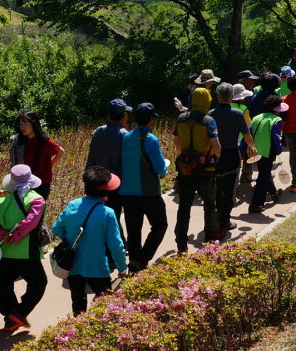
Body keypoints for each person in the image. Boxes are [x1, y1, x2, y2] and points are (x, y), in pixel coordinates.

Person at [51, 166, 127, 315]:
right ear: (106, 190)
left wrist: (71, 238)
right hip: (97, 266)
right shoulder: (107, 213)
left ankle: (77, 331)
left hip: (72, 265)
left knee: (78, 302)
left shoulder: (73, 204)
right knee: (105, 304)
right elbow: (116, 245)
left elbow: (56, 229)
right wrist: (122, 267)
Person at [0, 165, 47, 330]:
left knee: (5, 283)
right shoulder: (36, 199)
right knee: (38, 282)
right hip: (25, 250)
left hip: (2, 249)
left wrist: (3, 234)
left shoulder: (0, 201)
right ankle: (20, 312)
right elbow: (31, 222)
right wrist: (15, 236)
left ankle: (9, 317)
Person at [117, 103, 169, 272]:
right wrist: (166, 167)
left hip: (126, 191)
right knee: (160, 225)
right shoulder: (151, 140)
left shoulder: (126, 137)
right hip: (148, 191)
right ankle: (143, 257)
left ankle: (133, 261)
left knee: (133, 229)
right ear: (152, 120)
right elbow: (160, 168)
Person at [173, 87, 222, 252]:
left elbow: (177, 144)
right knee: (209, 205)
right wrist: (217, 157)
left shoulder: (180, 118)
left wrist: (182, 160)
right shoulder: (209, 121)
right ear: (208, 101)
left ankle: (181, 243)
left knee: (184, 206)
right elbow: (216, 146)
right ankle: (210, 238)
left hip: (185, 168)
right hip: (205, 169)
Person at [209, 83, 257, 231]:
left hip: (214, 155)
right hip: (232, 154)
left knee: (217, 186)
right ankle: (225, 220)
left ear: (217, 97)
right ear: (231, 97)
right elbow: (246, 134)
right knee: (230, 188)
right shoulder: (237, 113)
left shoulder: (210, 114)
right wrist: (252, 146)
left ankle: (215, 217)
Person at [86, 98, 133, 233]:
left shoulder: (98, 132)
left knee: (101, 215)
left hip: (97, 181)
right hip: (116, 185)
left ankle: (115, 243)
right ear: (124, 115)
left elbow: (91, 158)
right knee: (114, 215)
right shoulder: (125, 135)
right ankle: (118, 245)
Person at [8, 111, 65, 200]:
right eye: (21, 124)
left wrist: (50, 165)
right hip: (25, 183)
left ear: (33, 124)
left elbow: (61, 152)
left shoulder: (43, 141)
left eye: (25, 124)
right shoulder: (21, 141)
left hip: (41, 184)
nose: (23, 127)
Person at [248, 95, 286, 214]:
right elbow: (276, 137)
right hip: (268, 152)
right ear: (276, 110)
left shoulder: (256, 118)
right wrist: (279, 149)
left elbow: (248, 133)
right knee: (263, 178)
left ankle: (274, 194)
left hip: (255, 151)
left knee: (265, 172)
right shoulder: (276, 120)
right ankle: (255, 204)